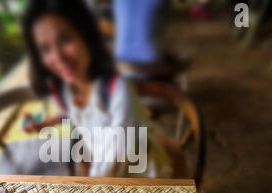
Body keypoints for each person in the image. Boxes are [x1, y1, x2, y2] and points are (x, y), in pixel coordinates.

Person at [22, 0, 173, 178]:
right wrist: (47, 123)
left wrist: (88, 188)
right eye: (45, 49)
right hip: (103, 166)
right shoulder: (65, 88)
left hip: (142, 177)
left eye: (65, 39)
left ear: (86, 35)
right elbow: (74, 112)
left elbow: (116, 157)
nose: (58, 57)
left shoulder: (117, 91)